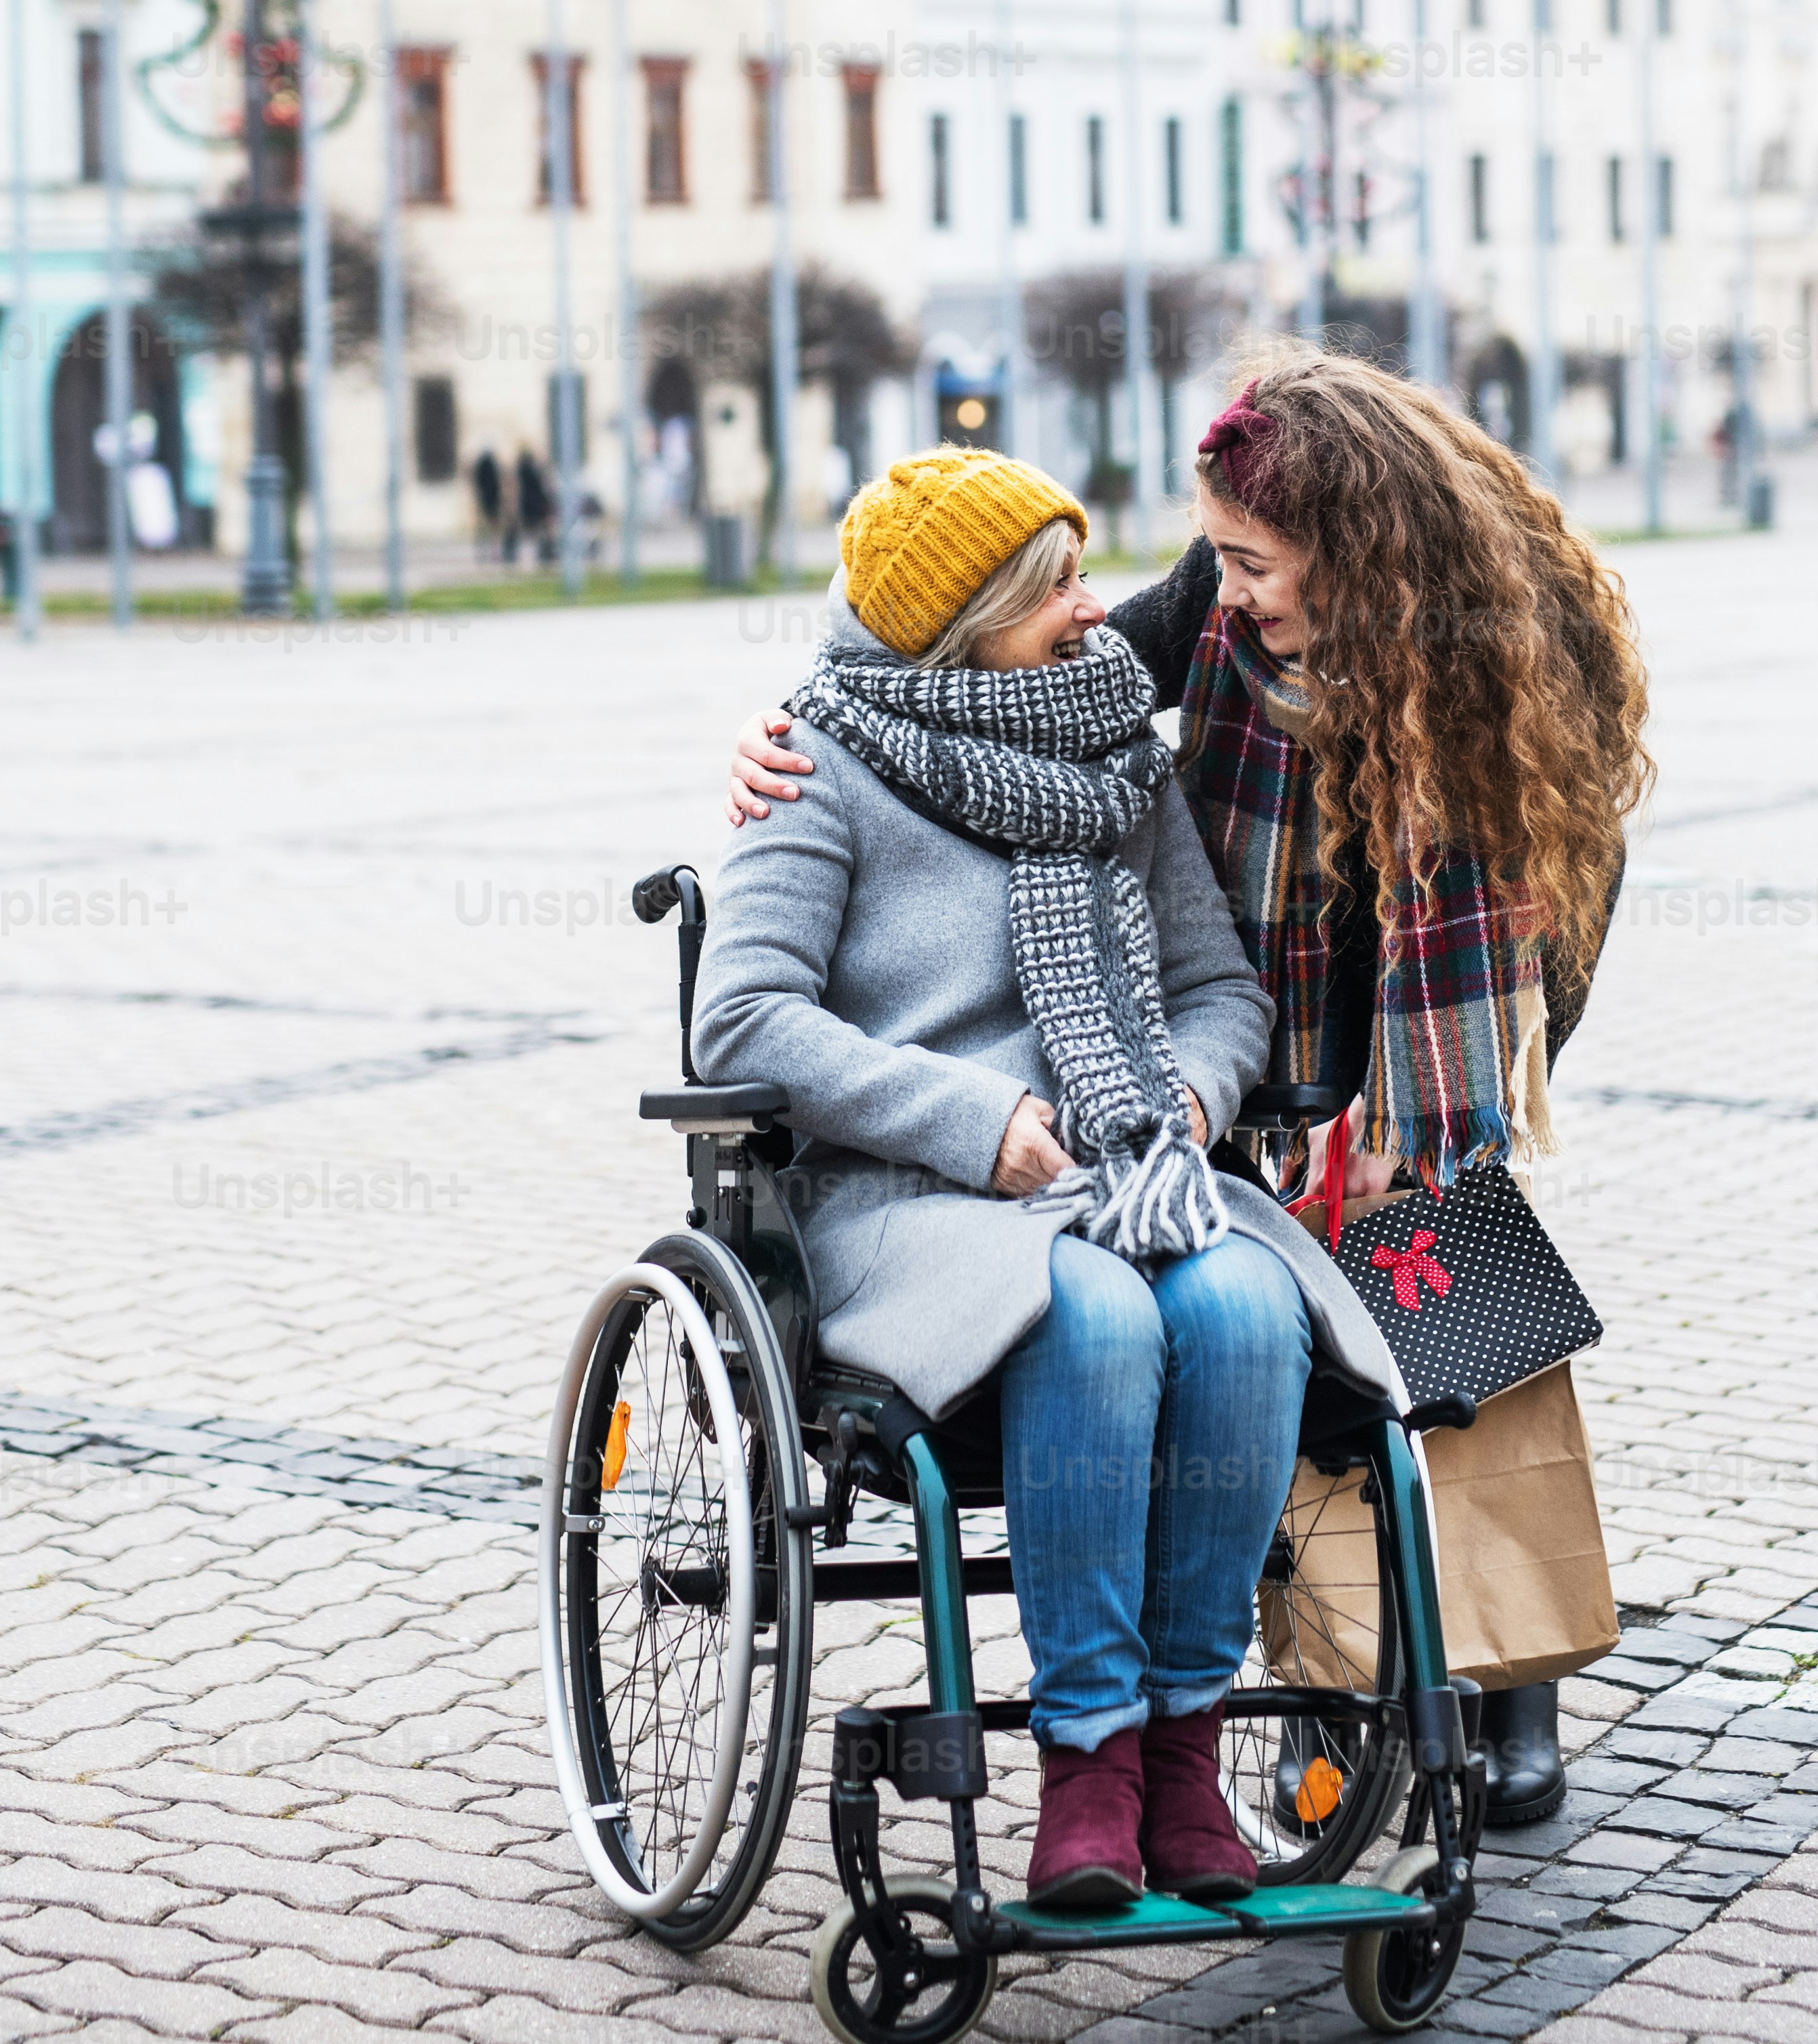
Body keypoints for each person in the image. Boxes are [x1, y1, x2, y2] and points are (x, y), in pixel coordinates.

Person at [730, 348, 1651, 1826]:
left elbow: (1555, 922)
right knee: (1281, 1339)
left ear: (1360, 558)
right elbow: (950, 670)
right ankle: (1327, 1693)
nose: (1224, 593)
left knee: (1453, 1303)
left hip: (1440, 1027)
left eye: (1259, 567)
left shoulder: (1510, 668)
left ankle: (1505, 1681)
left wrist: (1418, 1124)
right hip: (1252, 1014)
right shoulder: (1214, 619)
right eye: (1218, 558)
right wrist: (782, 732)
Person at [693, 446, 1410, 1913]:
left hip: (1130, 1169)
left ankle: (1181, 1752)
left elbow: (1218, 988)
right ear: (969, 621)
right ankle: (1086, 1755)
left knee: (1236, 1310)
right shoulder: (817, 763)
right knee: (1091, 1312)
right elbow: (745, 1020)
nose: (1093, 613)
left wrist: (1186, 1098)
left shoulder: (1115, 758)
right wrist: (972, 1117)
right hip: (915, 1201)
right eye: (1057, 589)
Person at [471, 447, 505, 564]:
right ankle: (492, 552)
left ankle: (486, 552)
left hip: (486, 500)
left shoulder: (482, 466)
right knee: (491, 528)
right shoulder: (490, 466)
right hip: (490, 501)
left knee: (486, 528)